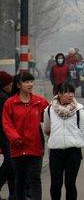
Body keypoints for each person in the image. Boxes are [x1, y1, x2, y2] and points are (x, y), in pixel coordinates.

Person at [43, 83, 84, 200]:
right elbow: (46, 129)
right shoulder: (48, 110)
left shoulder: (78, 110)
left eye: (72, 92)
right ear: (59, 94)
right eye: (67, 92)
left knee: (70, 184)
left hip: (73, 152)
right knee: (56, 184)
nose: (70, 95)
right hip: (56, 152)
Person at [2, 72, 49, 200]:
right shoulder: (10, 103)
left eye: (31, 81)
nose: (30, 84)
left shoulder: (39, 101)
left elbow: (51, 115)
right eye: (26, 82)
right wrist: (15, 138)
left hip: (35, 147)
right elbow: (7, 123)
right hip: (18, 148)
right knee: (20, 180)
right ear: (18, 85)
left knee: (35, 179)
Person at [0, 71, 15, 199]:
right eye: (10, 84)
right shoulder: (4, 99)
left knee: (10, 162)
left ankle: (13, 194)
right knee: (10, 162)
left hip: (5, 134)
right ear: (4, 85)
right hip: (5, 134)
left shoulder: (5, 97)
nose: (12, 86)